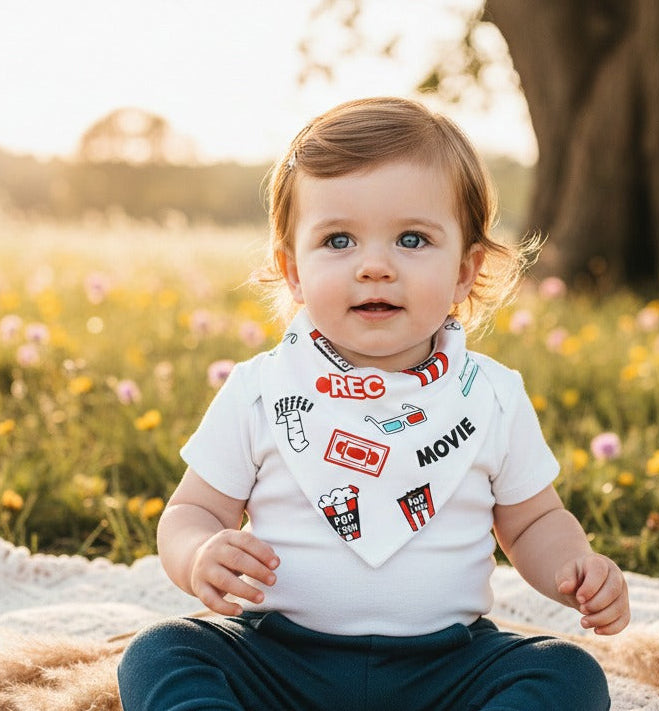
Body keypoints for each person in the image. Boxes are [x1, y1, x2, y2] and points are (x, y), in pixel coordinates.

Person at [118, 97, 629, 711]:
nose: (375, 267)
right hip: (280, 660)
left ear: (465, 271)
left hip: (448, 667)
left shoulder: (489, 395)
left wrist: (576, 567)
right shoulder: (263, 390)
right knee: (162, 651)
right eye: (339, 240)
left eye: (412, 239)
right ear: (293, 270)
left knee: (568, 672)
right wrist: (199, 553)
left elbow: (532, 523)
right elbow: (192, 510)